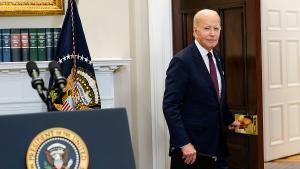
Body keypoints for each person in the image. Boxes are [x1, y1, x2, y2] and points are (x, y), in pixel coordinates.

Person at [163, 9, 241, 169]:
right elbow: (170, 107)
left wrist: (229, 119)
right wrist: (184, 143)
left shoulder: (217, 57)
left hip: (218, 145)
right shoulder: (181, 61)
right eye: (207, 28)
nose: (212, 33)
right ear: (195, 30)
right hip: (192, 150)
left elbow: (217, 97)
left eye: (216, 28)